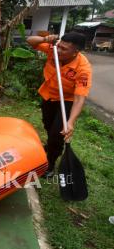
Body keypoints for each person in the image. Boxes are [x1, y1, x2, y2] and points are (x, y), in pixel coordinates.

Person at [26, 32, 92, 178]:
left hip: (67, 101)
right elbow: (30, 41)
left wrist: (71, 122)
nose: (59, 50)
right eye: (59, 46)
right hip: (49, 95)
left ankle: (50, 164)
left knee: (57, 133)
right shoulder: (54, 48)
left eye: (64, 49)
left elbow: (80, 98)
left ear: (76, 52)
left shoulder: (83, 69)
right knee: (49, 126)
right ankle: (51, 145)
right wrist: (44, 39)